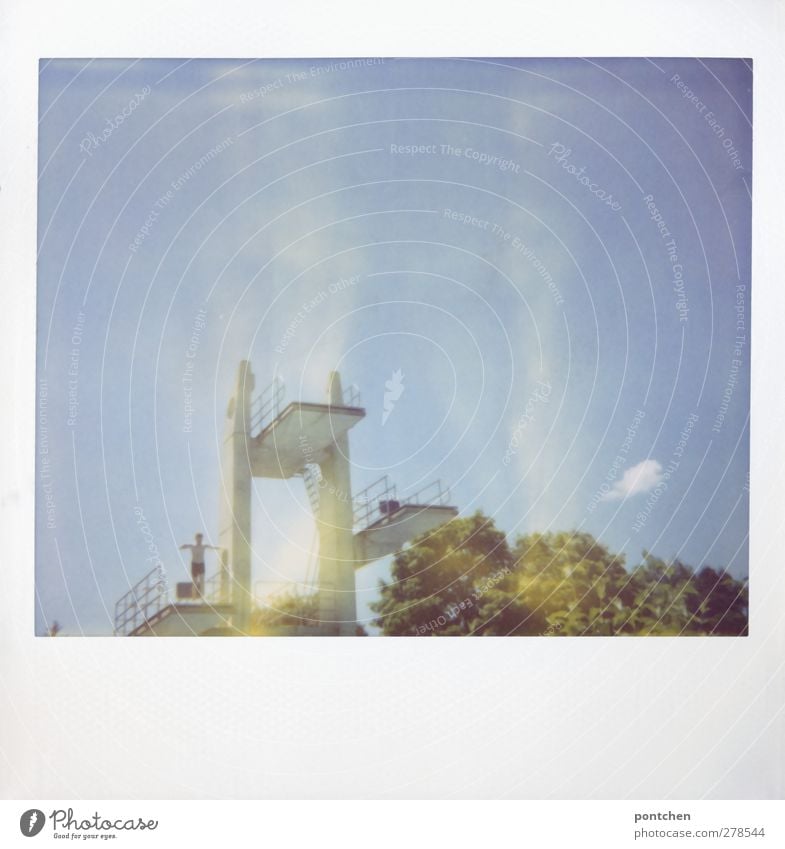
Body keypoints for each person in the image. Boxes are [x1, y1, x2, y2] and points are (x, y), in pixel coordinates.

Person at [179, 533, 220, 598]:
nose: (199, 541)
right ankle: (194, 596)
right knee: (195, 582)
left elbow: (212, 547)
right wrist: (181, 547)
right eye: (198, 539)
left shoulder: (204, 546)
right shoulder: (192, 546)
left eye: (200, 539)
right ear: (196, 539)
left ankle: (202, 596)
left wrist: (219, 548)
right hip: (194, 564)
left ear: (202, 539)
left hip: (201, 564)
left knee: (202, 581)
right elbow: (185, 546)